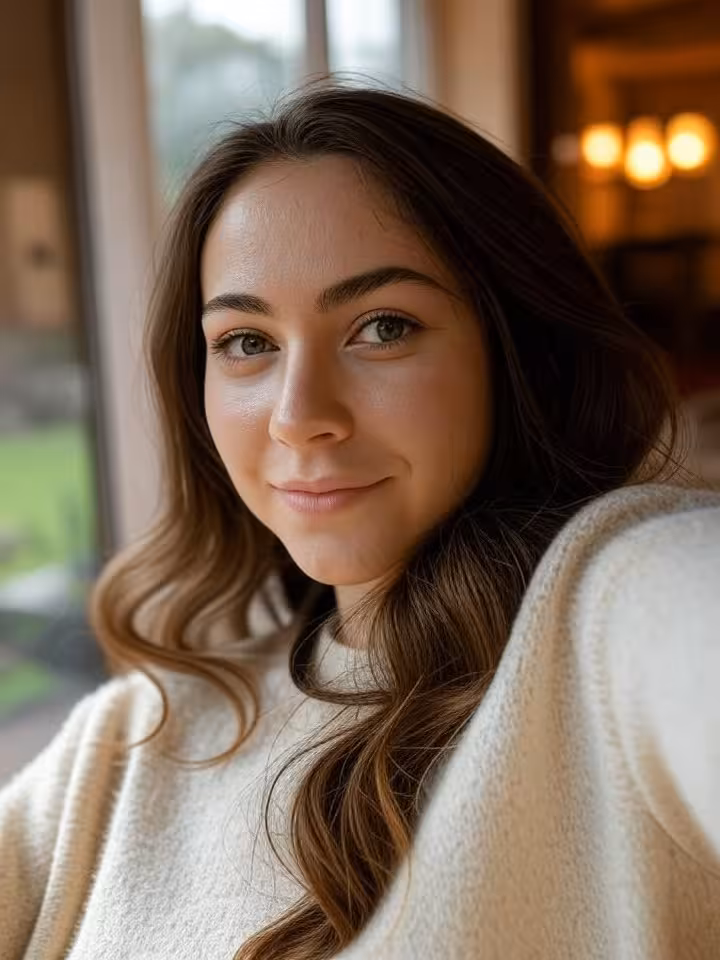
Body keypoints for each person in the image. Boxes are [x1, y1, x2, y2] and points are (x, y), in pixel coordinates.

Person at [1, 82, 719, 960]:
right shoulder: (141, 732)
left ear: (520, 352)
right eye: (247, 342)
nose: (299, 414)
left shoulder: (614, 608)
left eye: (382, 327)